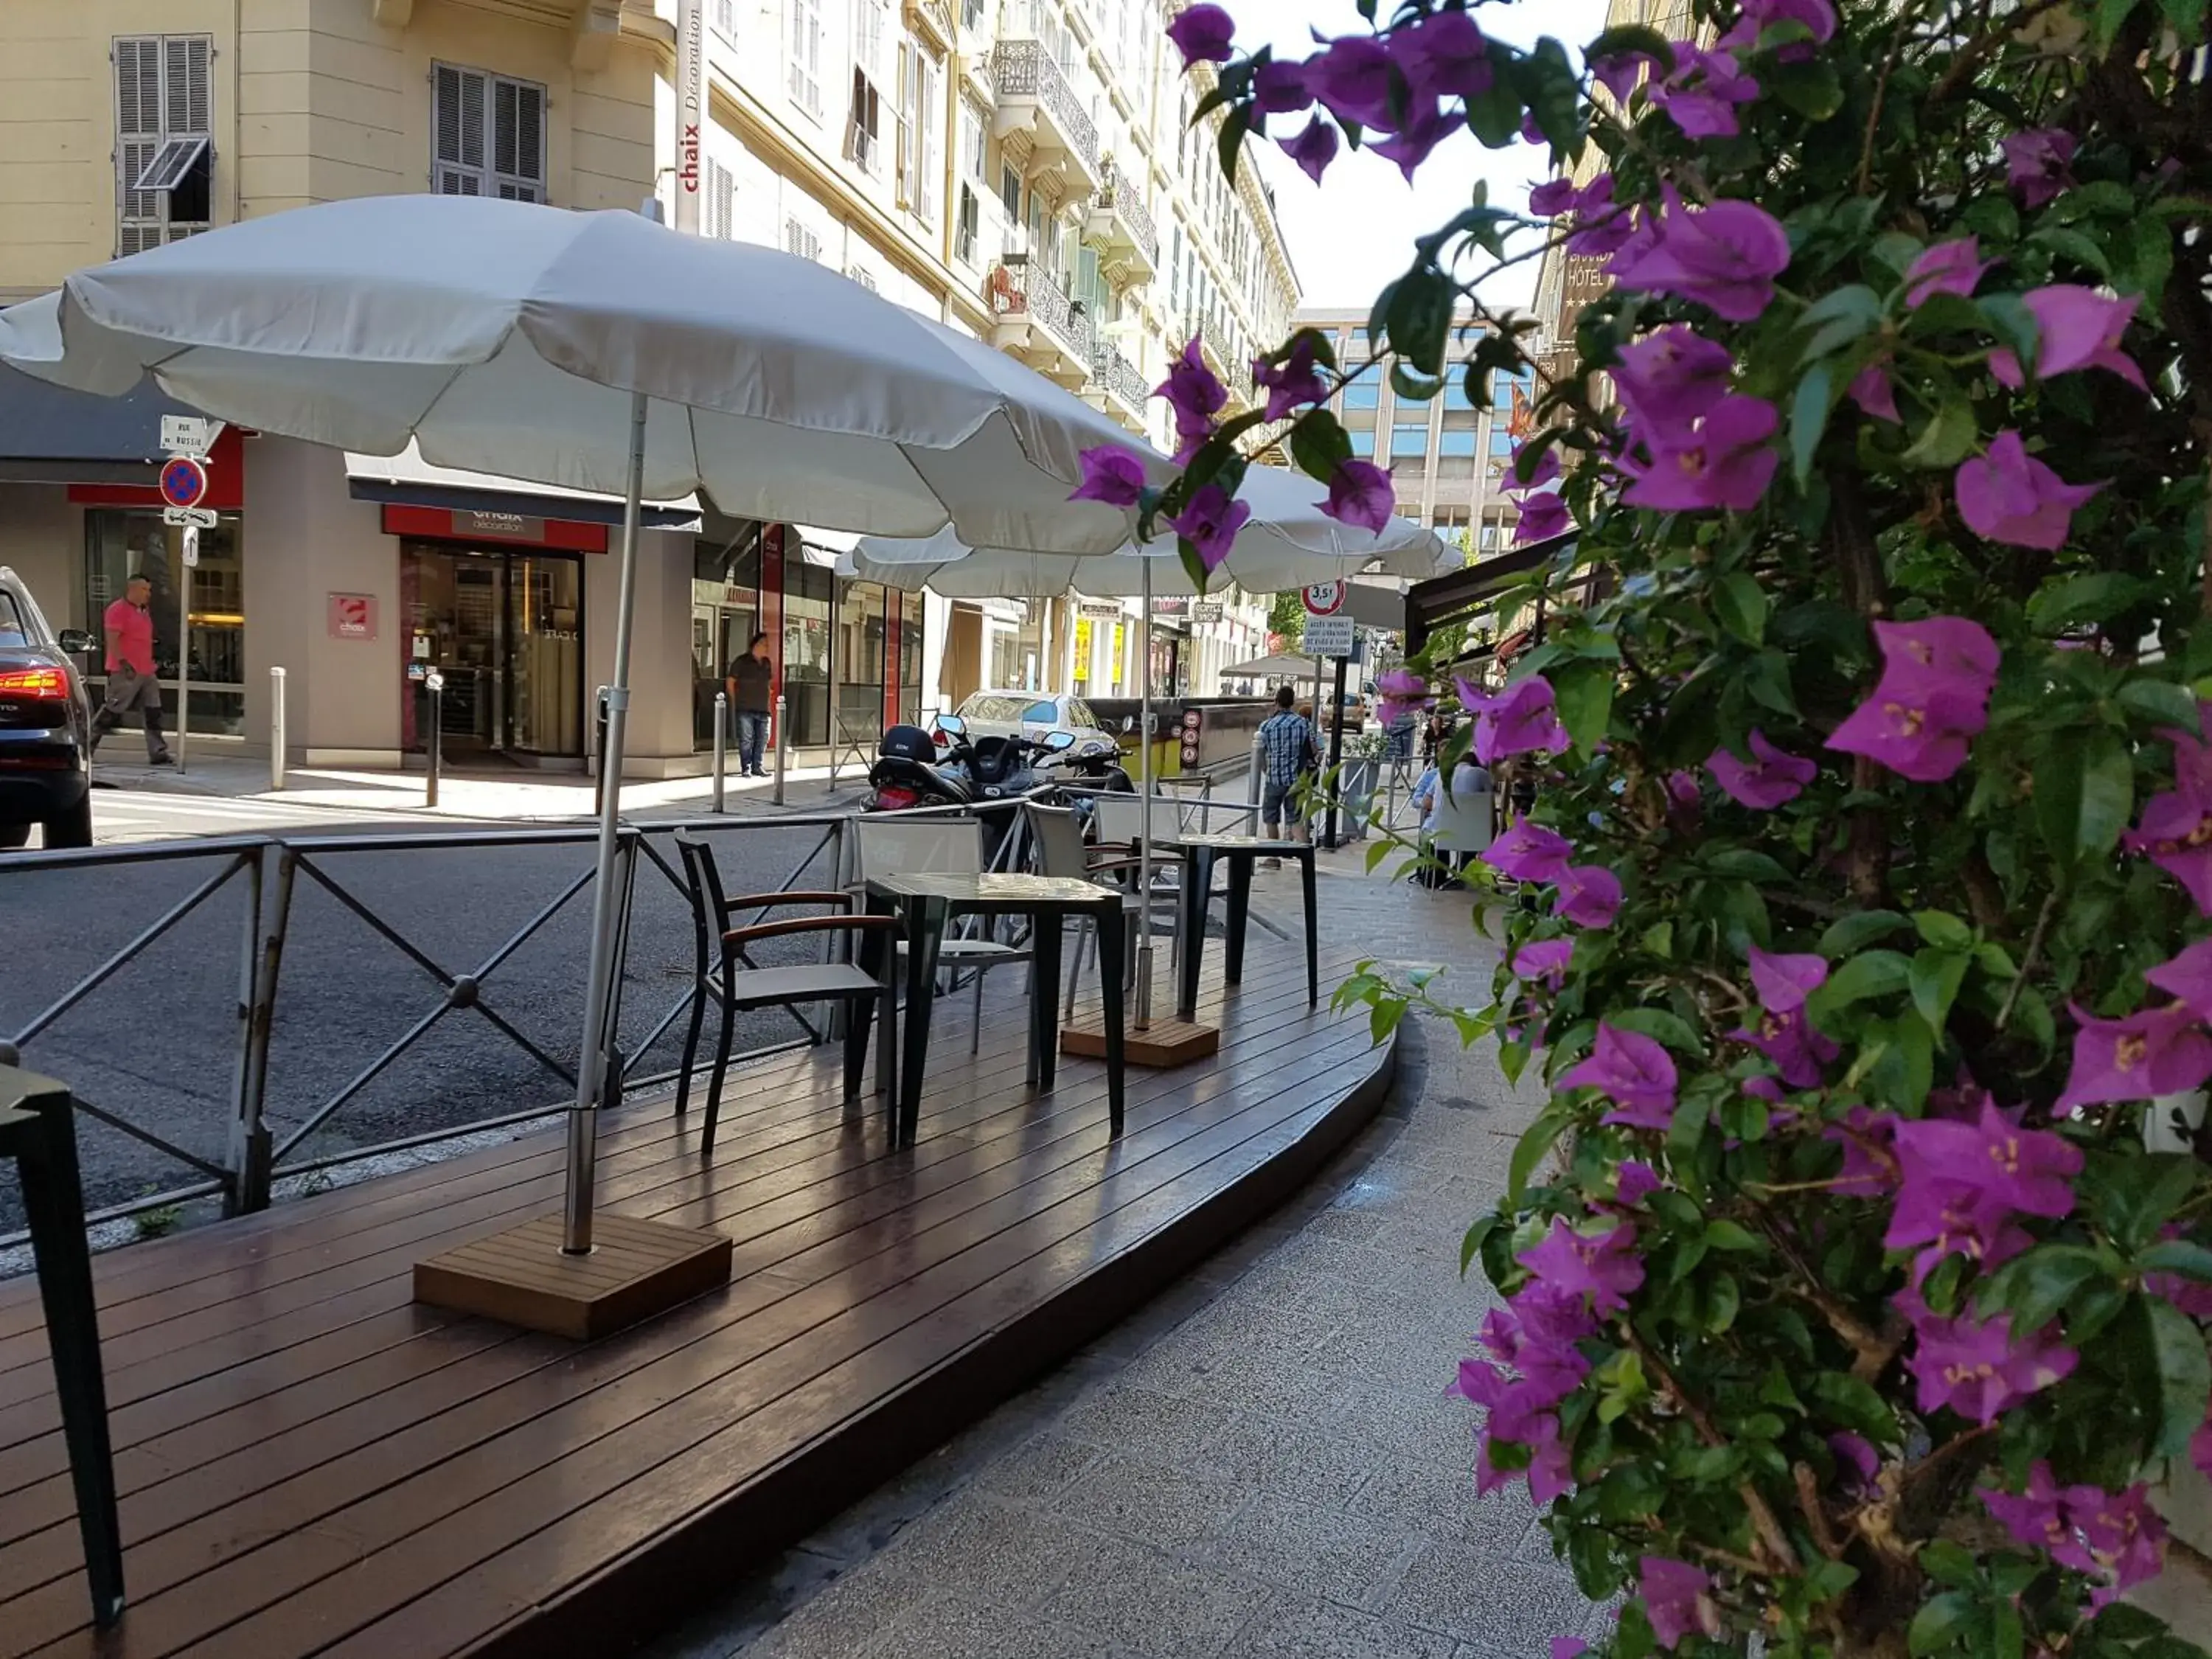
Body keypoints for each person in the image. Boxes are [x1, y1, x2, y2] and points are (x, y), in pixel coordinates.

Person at [88, 572, 170, 765]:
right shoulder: (117, 610)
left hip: (146, 670)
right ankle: (85, 747)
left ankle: (158, 751)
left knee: (153, 711)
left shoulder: (143, 611)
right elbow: (113, 639)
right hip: (126, 671)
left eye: (149, 590)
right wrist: (123, 662)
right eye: (144, 589)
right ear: (132, 589)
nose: (148, 594)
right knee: (112, 710)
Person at [1256, 683, 1318, 868]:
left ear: (1276, 702)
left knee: (1271, 818)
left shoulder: (1267, 726)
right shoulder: (1303, 724)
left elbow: (1261, 753)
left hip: (1274, 778)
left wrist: (1267, 769)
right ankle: (1306, 860)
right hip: (1297, 780)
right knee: (1296, 818)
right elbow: (1314, 749)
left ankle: (1273, 857)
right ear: (1293, 703)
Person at [726, 630, 773, 778]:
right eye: (764, 644)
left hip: (763, 708)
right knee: (746, 739)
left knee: (763, 738)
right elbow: (730, 682)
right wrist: (735, 699)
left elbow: (768, 684)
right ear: (756, 645)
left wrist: (768, 700)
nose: (767, 647)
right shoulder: (742, 662)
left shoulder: (766, 663)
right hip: (745, 707)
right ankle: (746, 767)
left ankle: (758, 766)